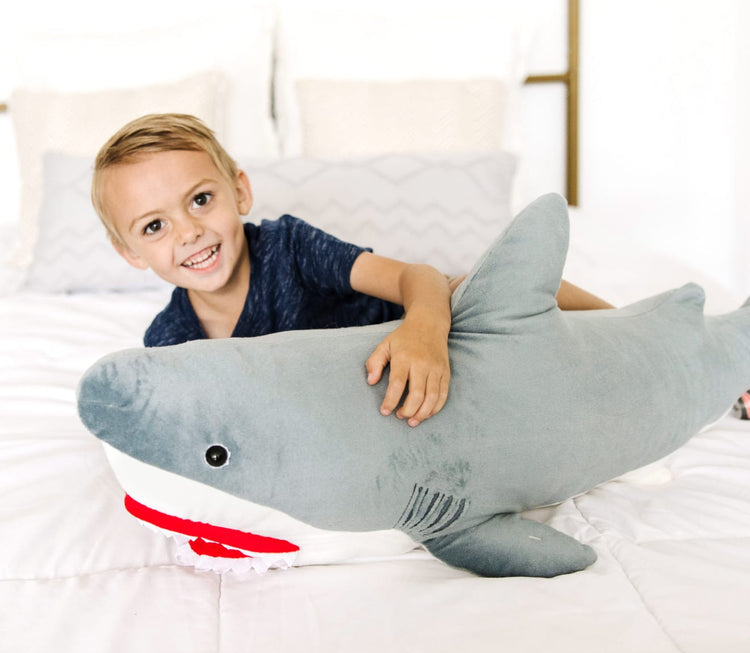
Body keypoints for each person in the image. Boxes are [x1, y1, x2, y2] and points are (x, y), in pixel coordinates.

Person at [91, 113, 611, 427]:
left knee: (478, 287)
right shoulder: (169, 343)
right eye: (154, 227)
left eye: (201, 199)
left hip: (421, 336)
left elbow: (419, 278)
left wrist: (424, 330)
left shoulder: (287, 247)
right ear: (130, 253)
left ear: (240, 191)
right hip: (379, 398)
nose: (188, 232)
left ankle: (625, 322)